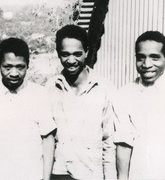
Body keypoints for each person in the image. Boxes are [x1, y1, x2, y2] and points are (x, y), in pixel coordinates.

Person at [0, 38, 57, 180]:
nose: (14, 73)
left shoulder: (40, 95)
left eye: (20, 67)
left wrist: (46, 178)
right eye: (7, 67)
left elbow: (48, 139)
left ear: (28, 65)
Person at [114, 31, 165, 179]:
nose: (147, 64)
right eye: (141, 58)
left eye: (155, 57)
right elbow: (124, 145)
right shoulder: (124, 95)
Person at [46, 25, 118, 179]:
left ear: (87, 52)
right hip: (58, 173)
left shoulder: (104, 89)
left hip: (91, 174)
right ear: (58, 54)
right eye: (65, 54)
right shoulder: (50, 88)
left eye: (77, 54)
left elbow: (109, 142)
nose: (71, 60)